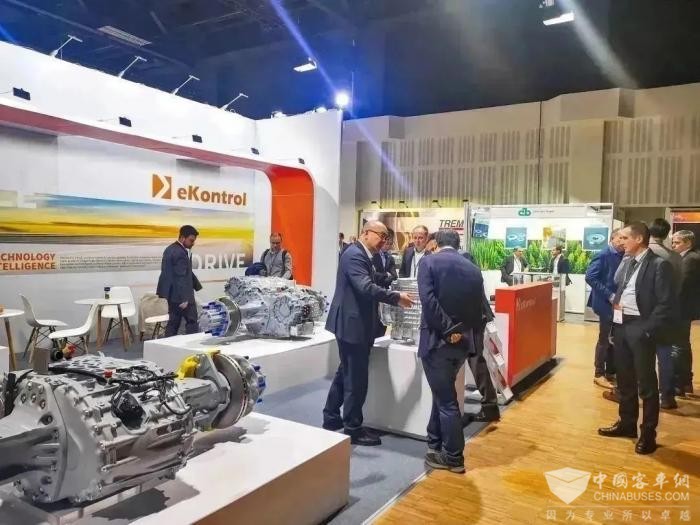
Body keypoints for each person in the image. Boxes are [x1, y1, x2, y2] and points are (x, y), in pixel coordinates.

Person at [323, 221, 414, 446]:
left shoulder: (362, 254)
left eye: (386, 237)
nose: (384, 241)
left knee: (346, 371)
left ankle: (331, 416)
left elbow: (373, 279)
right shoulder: (355, 255)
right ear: (365, 233)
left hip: (353, 323)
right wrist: (396, 298)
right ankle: (353, 428)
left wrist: (394, 282)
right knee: (356, 378)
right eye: (381, 236)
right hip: (352, 324)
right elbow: (365, 286)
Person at [598, 222, 675, 455]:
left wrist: (647, 329)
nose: (620, 242)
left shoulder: (659, 265)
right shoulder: (628, 262)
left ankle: (648, 433)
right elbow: (620, 291)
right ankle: (627, 424)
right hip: (622, 326)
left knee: (647, 385)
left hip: (641, 328)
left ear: (639, 239)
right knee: (625, 380)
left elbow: (666, 303)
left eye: (624, 238)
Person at [418, 230, 485, 473]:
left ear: (436, 243)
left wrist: (448, 329)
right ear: (458, 244)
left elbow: (428, 301)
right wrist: (459, 331)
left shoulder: (428, 263)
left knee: (446, 401)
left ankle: (453, 457)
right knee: (443, 393)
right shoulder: (473, 269)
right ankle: (434, 441)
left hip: (437, 341)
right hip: (462, 343)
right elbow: (478, 308)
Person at [648, 218, 683, 408]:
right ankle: (667, 396)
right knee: (665, 354)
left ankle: (645, 393)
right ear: (667, 233)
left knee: (641, 355)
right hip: (669, 312)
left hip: (645, 313)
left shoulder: (644, 253)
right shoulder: (676, 257)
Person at [585, 229, 624, 389]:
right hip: (605, 304)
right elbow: (590, 277)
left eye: (625, 238)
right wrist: (609, 295)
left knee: (614, 338)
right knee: (604, 339)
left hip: (618, 305)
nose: (623, 241)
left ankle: (611, 372)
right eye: (620, 238)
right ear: (612, 238)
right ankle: (599, 373)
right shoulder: (603, 255)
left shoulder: (624, 255)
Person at [156, 225, 203, 337]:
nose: (193, 243)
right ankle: (192, 344)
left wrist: (196, 285)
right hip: (182, 296)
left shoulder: (170, 249)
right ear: (182, 238)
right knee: (192, 322)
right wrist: (184, 298)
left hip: (172, 295)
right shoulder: (180, 253)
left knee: (173, 323)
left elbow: (180, 272)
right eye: (191, 240)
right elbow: (180, 277)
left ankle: (168, 344)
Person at [671, 229, 700, 397]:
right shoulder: (687, 257)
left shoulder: (690, 259)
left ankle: (679, 384)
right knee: (682, 345)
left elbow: (681, 287)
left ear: (688, 243)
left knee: (678, 346)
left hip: (681, 309)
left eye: (677, 242)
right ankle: (685, 382)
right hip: (683, 309)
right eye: (673, 242)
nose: (673, 245)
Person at [372, 234, 398, 337]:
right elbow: (373, 275)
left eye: (390, 244)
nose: (388, 246)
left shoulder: (390, 257)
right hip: (374, 290)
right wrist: (385, 275)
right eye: (386, 243)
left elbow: (394, 275)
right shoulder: (373, 255)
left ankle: (381, 336)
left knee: (384, 319)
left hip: (385, 292)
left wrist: (385, 278)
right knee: (374, 318)